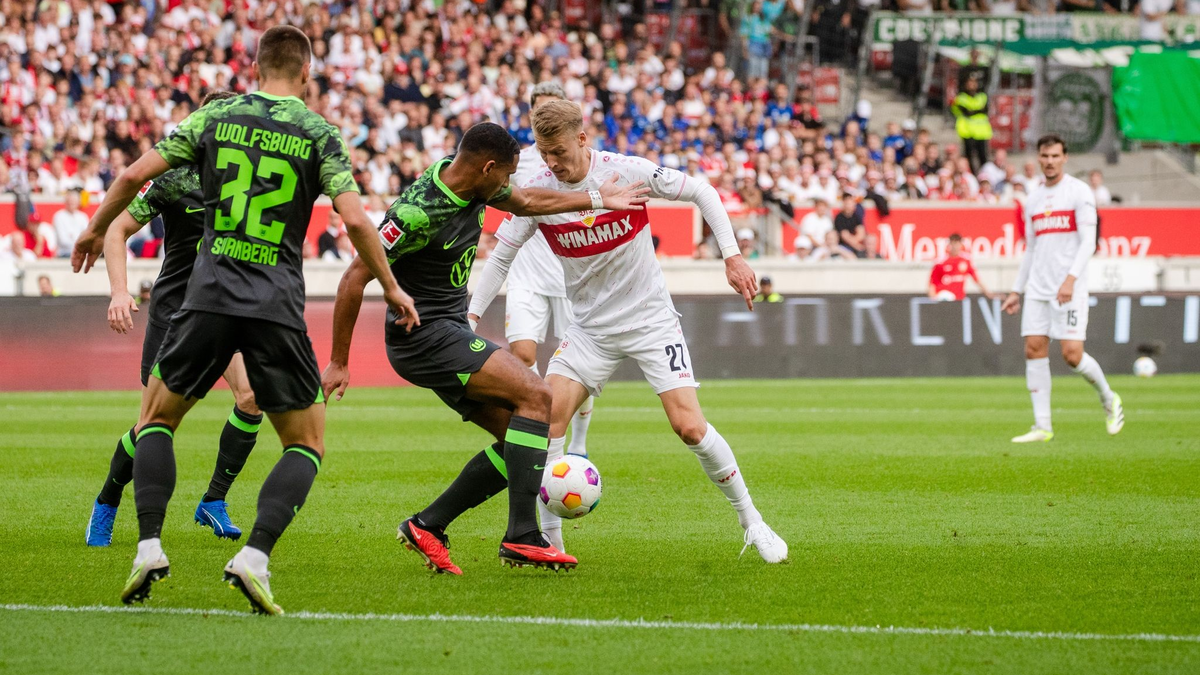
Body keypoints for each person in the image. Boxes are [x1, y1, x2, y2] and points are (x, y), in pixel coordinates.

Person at [73, 26, 416, 615]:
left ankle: (149, 545)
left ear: (255, 67)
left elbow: (130, 177)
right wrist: (391, 285)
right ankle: (255, 556)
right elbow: (357, 220)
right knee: (305, 443)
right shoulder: (317, 132)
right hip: (275, 304)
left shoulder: (215, 118)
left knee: (155, 419)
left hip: (204, 296)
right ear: (306, 73)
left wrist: (92, 227)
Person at [466, 100, 788, 564]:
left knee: (690, 427)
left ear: (582, 139)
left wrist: (732, 255)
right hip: (589, 330)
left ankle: (752, 522)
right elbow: (501, 257)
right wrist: (473, 317)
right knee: (545, 422)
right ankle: (552, 545)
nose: (552, 162)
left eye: (558, 151)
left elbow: (701, 191)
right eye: (544, 152)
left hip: (650, 321)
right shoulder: (536, 194)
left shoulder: (628, 172)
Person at [321, 122, 650, 575]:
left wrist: (597, 199)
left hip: (446, 330)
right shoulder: (417, 212)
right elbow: (354, 277)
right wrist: (339, 361)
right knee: (538, 397)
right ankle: (521, 536)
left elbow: (531, 202)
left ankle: (428, 525)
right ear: (488, 167)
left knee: (517, 438)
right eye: (505, 177)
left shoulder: (478, 185)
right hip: (424, 337)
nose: (508, 186)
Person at [84, 92, 265, 550]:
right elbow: (116, 231)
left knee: (252, 398)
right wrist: (121, 291)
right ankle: (107, 500)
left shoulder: (253, 179)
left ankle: (213, 501)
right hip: (176, 314)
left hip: (226, 310)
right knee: (153, 423)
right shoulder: (173, 176)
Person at [1002, 135, 1123, 443]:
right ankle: (1042, 426)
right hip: (1039, 288)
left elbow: (1088, 243)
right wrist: (1017, 290)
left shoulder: (1079, 192)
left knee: (1071, 355)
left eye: (1056, 155)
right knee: (1033, 349)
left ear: (1065, 158)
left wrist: (1070, 279)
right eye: (1045, 156)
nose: (1050, 161)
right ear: (1039, 159)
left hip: (1069, 287)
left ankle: (1109, 398)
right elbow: (1030, 248)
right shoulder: (1032, 198)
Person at [502, 83, 595, 458]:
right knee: (522, 353)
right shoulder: (519, 162)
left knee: (579, 366)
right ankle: (542, 421)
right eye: (541, 111)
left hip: (569, 274)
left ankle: (579, 443)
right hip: (527, 273)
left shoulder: (582, 158)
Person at [928, 234, 993, 302]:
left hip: (959, 300)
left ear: (961, 245)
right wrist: (933, 300)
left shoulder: (966, 260)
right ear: (949, 245)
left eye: (957, 244)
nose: (955, 247)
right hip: (944, 299)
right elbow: (932, 283)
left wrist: (988, 293)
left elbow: (976, 279)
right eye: (953, 244)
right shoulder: (941, 262)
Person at [951, 75, 992, 174]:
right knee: (969, 155)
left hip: (981, 132)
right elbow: (965, 111)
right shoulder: (961, 97)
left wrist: (972, 110)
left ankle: (984, 175)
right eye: (969, 83)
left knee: (983, 156)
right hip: (967, 131)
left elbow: (984, 110)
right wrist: (977, 110)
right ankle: (972, 174)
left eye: (974, 83)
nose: (972, 85)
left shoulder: (982, 96)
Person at [53, 190, 89, 258]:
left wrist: (72, 237)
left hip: (81, 253)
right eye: (69, 201)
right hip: (64, 254)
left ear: (78, 202)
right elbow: (63, 241)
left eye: (74, 201)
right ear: (65, 202)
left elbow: (86, 237)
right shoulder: (59, 216)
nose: (71, 203)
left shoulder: (83, 217)